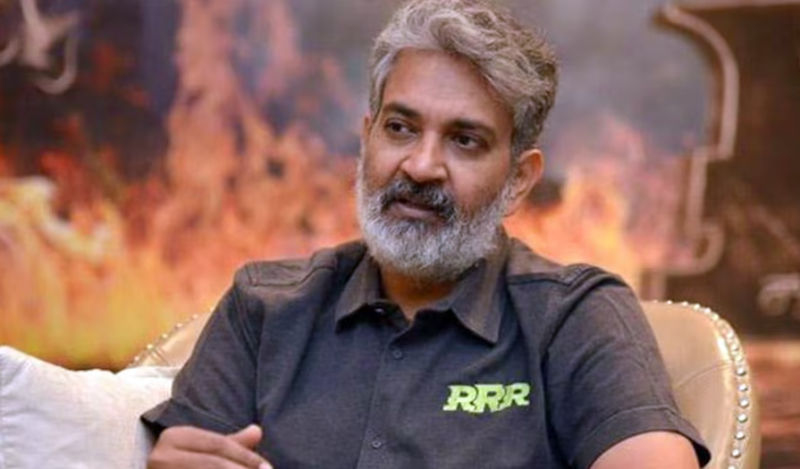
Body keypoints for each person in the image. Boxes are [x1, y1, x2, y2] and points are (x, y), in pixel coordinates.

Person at [142, 0, 711, 468]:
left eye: (465, 140)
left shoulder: (575, 318)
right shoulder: (263, 310)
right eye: (400, 128)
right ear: (367, 139)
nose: (420, 166)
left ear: (518, 180)